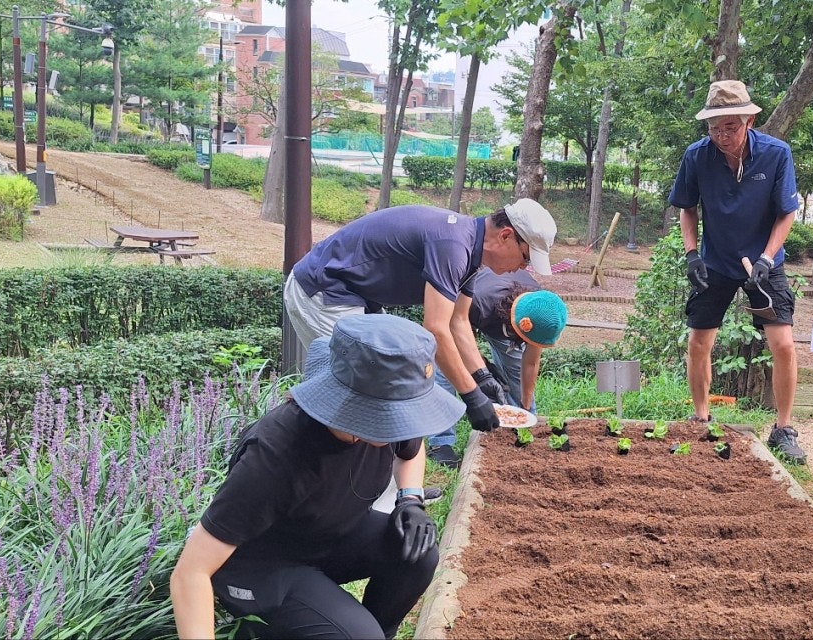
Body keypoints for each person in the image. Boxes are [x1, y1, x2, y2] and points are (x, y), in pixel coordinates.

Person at [170, 314, 465, 639]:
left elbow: (412, 450)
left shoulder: (389, 420)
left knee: (417, 555)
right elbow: (191, 572)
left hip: (325, 537)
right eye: (399, 413)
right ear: (359, 405)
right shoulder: (277, 453)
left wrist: (410, 499)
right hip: (259, 565)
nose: (408, 423)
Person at [284, 199, 557, 448]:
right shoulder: (453, 245)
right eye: (526, 257)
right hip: (326, 292)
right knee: (366, 394)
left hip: (357, 298)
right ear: (506, 236)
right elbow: (435, 329)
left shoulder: (470, 251)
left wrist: (482, 377)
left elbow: (457, 320)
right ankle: (359, 486)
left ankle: (395, 491)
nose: (524, 268)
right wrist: (471, 396)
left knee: (383, 387)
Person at [668, 80, 806, 464]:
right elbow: (687, 208)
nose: (722, 136)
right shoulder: (697, 157)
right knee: (699, 341)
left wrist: (766, 258)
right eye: (714, 128)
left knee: (783, 344)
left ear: (748, 120)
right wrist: (692, 254)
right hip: (716, 263)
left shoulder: (776, 154)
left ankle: (783, 428)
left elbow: (787, 212)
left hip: (764, 265)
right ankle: (700, 417)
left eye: (730, 127)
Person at [426, 270, 568, 467]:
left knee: (517, 370)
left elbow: (530, 363)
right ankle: (441, 443)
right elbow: (453, 329)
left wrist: (525, 407)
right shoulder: (479, 301)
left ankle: (522, 430)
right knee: (446, 371)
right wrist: (481, 371)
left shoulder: (541, 311)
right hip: (457, 318)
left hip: (506, 320)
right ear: (518, 326)